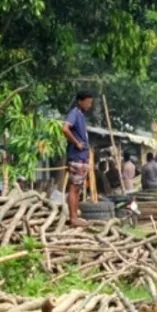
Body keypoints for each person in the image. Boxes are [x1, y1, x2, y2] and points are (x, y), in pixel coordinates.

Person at [61, 91, 93, 226]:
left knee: (77, 187)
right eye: (88, 102)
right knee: (74, 187)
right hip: (77, 157)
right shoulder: (74, 113)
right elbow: (65, 129)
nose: (89, 105)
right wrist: (76, 143)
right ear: (80, 101)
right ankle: (73, 217)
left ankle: (74, 216)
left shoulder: (80, 115)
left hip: (81, 157)